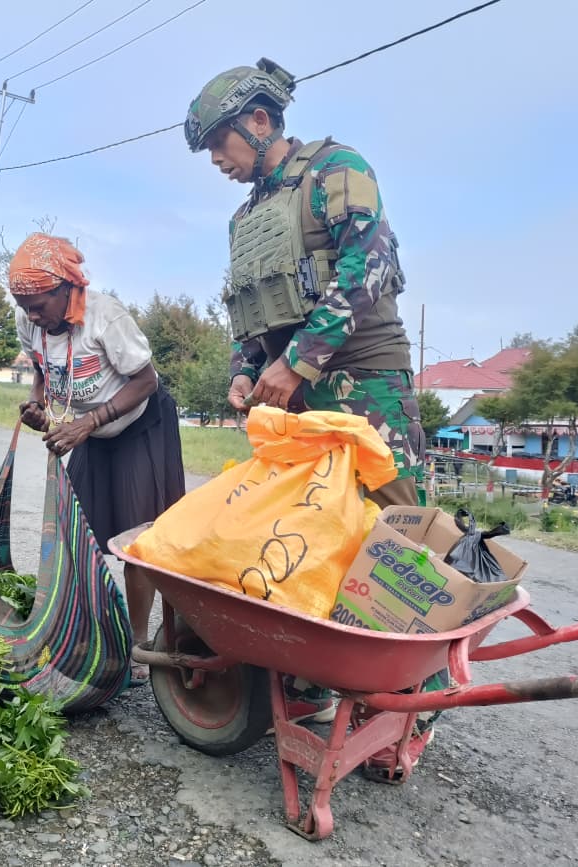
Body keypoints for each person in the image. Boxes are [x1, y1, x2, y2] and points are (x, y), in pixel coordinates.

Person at [185, 59, 431, 771]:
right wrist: (243, 369)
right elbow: (245, 311)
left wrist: (298, 361)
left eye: (221, 145)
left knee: (396, 534)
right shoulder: (245, 217)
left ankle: (413, 703)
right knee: (301, 528)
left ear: (259, 122)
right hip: (290, 393)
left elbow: (369, 265)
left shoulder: (336, 169)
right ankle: (316, 680)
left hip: (364, 382)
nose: (218, 163)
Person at [8, 233, 185, 684]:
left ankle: (140, 645)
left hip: (139, 426)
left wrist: (89, 423)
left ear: (68, 289)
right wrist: (38, 404)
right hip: (87, 428)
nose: (31, 314)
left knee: (138, 537)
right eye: (22, 304)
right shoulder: (30, 321)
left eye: (38, 304)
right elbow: (40, 368)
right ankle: (84, 630)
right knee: (78, 529)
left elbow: (146, 381)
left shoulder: (106, 317)